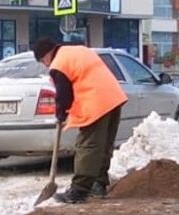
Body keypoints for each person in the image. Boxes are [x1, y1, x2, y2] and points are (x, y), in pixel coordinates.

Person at [33, 38, 128, 203]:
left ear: (47, 54)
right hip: (113, 98)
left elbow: (64, 96)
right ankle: (98, 185)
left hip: (96, 102)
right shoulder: (79, 50)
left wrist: (60, 114)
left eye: (43, 60)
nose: (45, 65)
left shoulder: (58, 64)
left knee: (88, 146)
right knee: (103, 145)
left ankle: (78, 191)